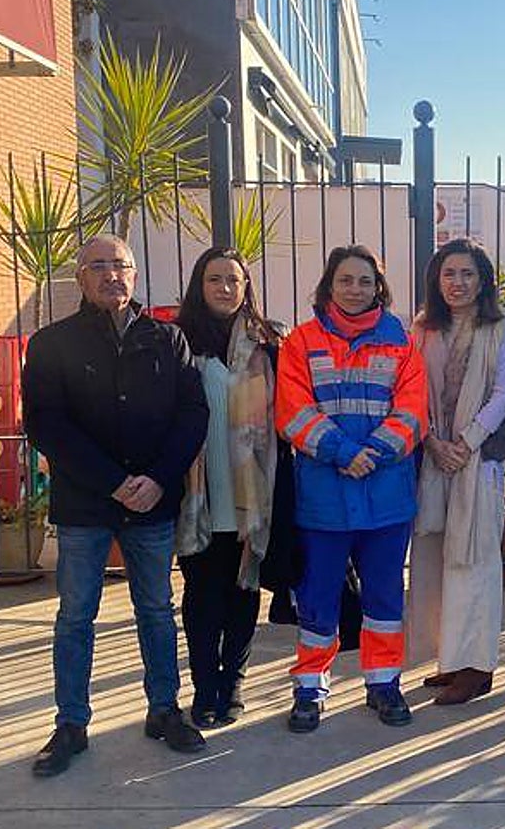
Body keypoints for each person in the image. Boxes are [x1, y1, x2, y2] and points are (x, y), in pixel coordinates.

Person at [22, 234, 209, 777]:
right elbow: (45, 422)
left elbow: (192, 413)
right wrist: (112, 482)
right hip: (85, 506)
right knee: (76, 616)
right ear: (80, 278)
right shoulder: (52, 343)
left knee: (156, 610)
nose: (112, 276)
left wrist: (157, 478)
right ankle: (71, 724)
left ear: (134, 273)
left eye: (121, 266)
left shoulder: (167, 339)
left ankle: (164, 710)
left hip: (152, 504)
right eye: (98, 266)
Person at [276, 244, 427, 732]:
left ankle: (383, 684)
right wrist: (346, 453)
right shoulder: (300, 342)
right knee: (318, 596)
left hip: (386, 497)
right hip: (324, 497)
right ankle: (309, 687)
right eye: (346, 280)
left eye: (365, 281)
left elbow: (412, 412)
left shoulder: (403, 343)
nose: (355, 289)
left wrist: (373, 454)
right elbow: (292, 412)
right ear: (329, 286)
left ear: (377, 287)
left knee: (384, 597)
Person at [173, 246, 284, 729]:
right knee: (201, 597)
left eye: (233, 280)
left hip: (251, 496)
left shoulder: (268, 345)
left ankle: (232, 686)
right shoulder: (176, 344)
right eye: (214, 279)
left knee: (243, 594)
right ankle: (205, 689)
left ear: (247, 287)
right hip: (197, 493)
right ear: (200, 286)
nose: (224, 288)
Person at [406, 238, 505, 704]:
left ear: (482, 280)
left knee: (474, 561)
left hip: (477, 462)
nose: (457, 283)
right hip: (434, 459)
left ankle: (477, 668)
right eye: (449, 274)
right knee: (435, 559)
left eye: (467, 274)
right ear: (437, 279)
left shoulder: (502, 324)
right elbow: (411, 388)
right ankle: (449, 660)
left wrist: (465, 443)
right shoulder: (422, 329)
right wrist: (433, 441)